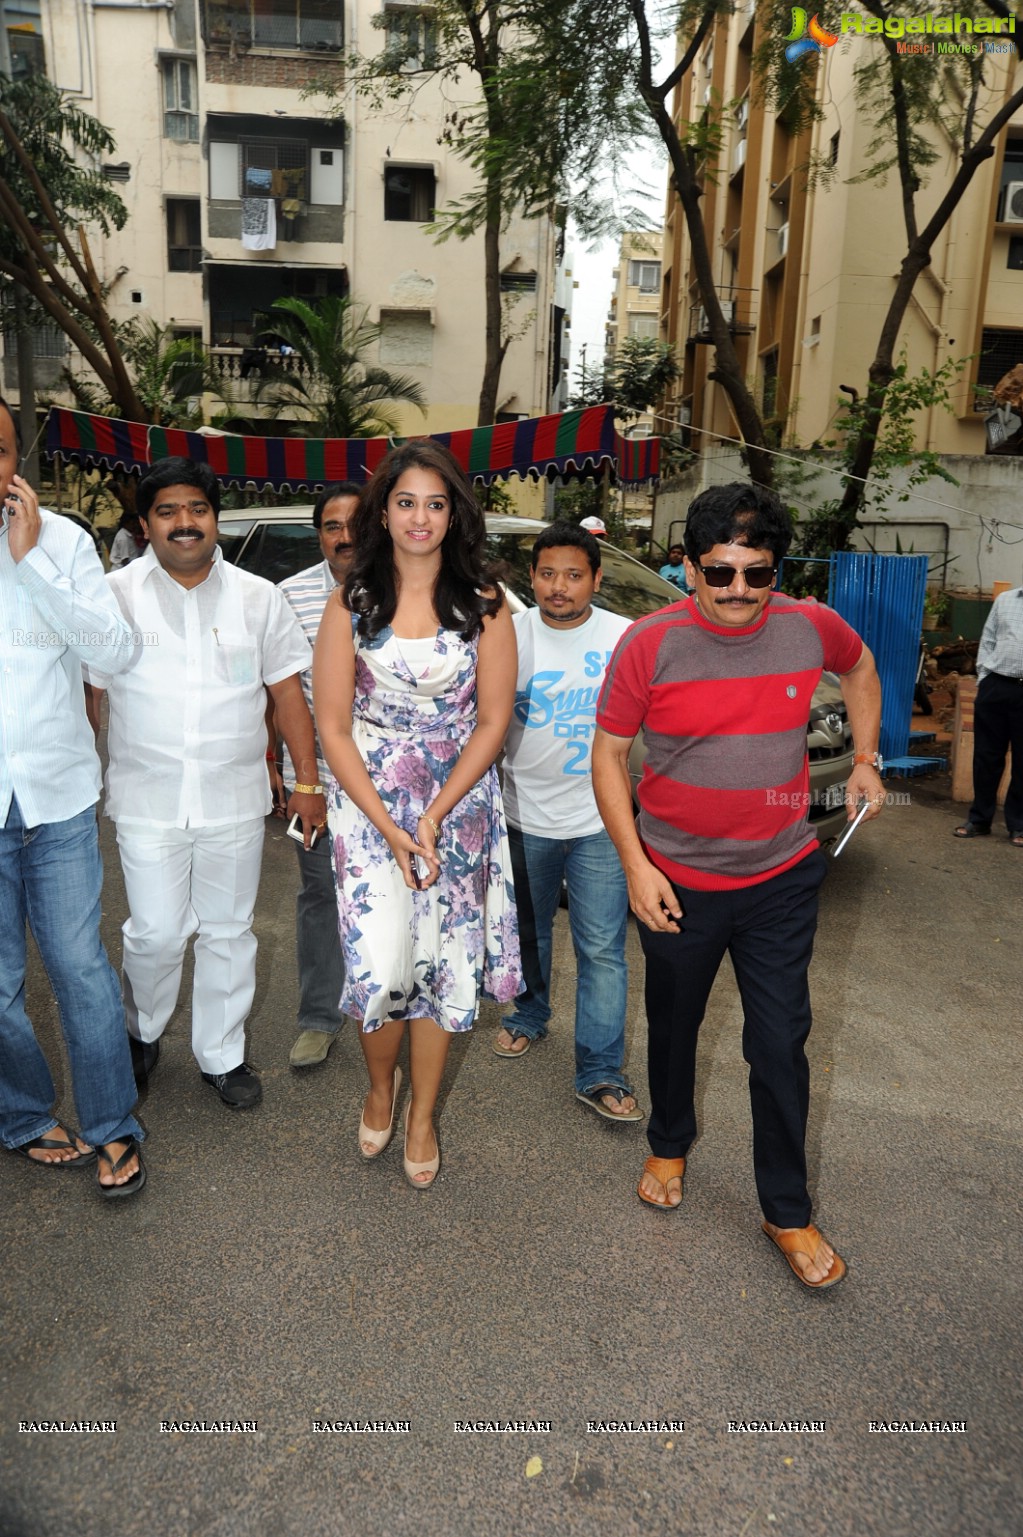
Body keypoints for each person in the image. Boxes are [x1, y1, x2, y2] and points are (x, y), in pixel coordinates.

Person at [593, 481, 885, 1290]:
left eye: (757, 573)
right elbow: (607, 756)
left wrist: (863, 758)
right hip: (675, 879)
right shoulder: (649, 644)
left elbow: (859, 668)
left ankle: (785, 1210)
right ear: (689, 568)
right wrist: (636, 865)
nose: (737, 592)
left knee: (778, 1040)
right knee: (675, 1024)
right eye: (719, 573)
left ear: (776, 572)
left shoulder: (806, 626)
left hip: (781, 874)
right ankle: (669, 1140)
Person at [313, 441, 522, 1189]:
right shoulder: (353, 600)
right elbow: (332, 725)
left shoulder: (487, 603)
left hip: (456, 806)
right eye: (406, 502)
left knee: (440, 964)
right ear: (383, 511)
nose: (420, 517)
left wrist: (433, 813)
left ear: (455, 512)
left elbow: (493, 721)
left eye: (436, 503)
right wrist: (389, 822)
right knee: (382, 961)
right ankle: (379, 1086)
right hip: (366, 805)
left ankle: (423, 1111)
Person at [85, 457, 321, 1110]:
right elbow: (91, 693)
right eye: (167, 511)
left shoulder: (258, 598)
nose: (184, 522)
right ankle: (142, 1030)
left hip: (235, 800)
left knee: (227, 930)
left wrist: (308, 781)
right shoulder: (115, 595)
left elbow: (286, 693)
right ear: (145, 523)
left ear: (213, 518)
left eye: (197, 509)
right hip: (146, 799)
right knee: (155, 931)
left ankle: (222, 1053)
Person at [0, 395, 145, 1197]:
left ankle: (112, 1123)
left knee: (82, 971)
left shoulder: (62, 542)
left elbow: (113, 651)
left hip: (54, 799)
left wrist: (33, 562)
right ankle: (22, 1114)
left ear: (17, 460)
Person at [495, 521, 642, 1124]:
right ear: (530, 578)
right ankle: (528, 1014)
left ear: (596, 580)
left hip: (600, 821)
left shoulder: (625, 637)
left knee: (603, 948)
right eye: (548, 574)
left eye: (574, 575)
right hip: (522, 813)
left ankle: (600, 1068)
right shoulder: (506, 635)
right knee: (527, 930)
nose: (560, 587)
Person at [278, 481, 360, 1068]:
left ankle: (391, 1004)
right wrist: (300, 781)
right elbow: (282, 695)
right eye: (332, 526)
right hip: (319, 785)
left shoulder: (407, 588)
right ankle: (318, 1016)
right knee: (321, 898)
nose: (345, 536)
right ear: (319, 536)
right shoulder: (288, 597)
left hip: (393, 782)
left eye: (355, 524)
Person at [953, 583, 1023, 845]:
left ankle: (1019, 825)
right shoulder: (1005, 600)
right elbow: (989, 639)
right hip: (996, 687)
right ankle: (979, 819)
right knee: (986, 757)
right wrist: (985, 677)